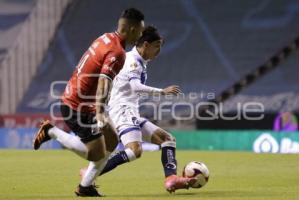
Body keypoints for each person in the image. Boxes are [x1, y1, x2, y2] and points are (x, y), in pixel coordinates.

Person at [32, 8, 145, 197]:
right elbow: (103, 80)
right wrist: (100, 111)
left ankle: (85, 187)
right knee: (95, 154)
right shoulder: (118, 52)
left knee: (111, 138)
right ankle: (51, 131)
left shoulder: (106, 37)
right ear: (132, 29)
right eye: (140, 31)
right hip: (78, 107)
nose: (140, 36)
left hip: (82, 101)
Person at [80, 26, 196, 193]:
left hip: (130, 111)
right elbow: (135, 86)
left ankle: (171, 179)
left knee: (167, 139)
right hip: (123, 110)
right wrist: (161, 92)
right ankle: (90, 172)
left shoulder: (136, 60)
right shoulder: (133, 61)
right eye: (157, 46)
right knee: (135, 150)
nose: (159, 51)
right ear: (146, 45)